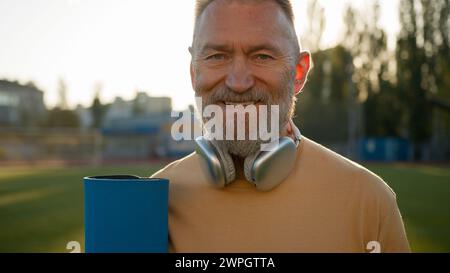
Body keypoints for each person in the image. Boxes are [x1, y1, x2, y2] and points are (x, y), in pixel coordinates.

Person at [151, 0, 411, 253]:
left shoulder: (369, 202)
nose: (238, 82)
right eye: (217, 56)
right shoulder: (152, 203)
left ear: (298, 73)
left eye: (262, 56)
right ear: (194, 73)